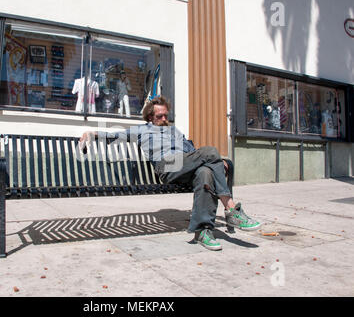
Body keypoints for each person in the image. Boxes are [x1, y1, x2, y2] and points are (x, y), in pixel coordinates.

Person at [80, 96, 261, 251]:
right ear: (150, 117)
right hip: (166, 166)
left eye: (166, 115)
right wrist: (91, 133)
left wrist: (213, 162)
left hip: (185, 165)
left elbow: (193, 152)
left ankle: (203, 232)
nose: (164, 118)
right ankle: (231, 208)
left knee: (205, 172)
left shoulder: (175, 131)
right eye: (160, 116)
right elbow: (116, 135)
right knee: (211, 152)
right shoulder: (141, 130)